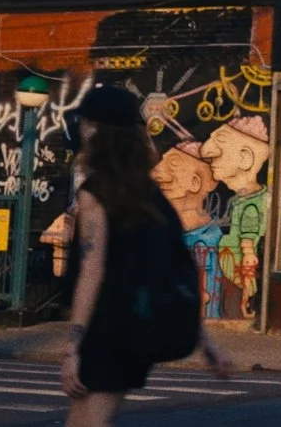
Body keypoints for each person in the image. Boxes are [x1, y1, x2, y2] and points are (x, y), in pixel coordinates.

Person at [61, 85, 232, 426]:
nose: (80, 129)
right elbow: (173, 269)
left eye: (84, 122)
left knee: (90, 421)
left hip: (107, 331)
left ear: (96, 129)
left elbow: (92, 269)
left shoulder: (96, 192)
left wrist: (72, 347)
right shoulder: (151, 197)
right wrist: (206, 342)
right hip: (136, 332)